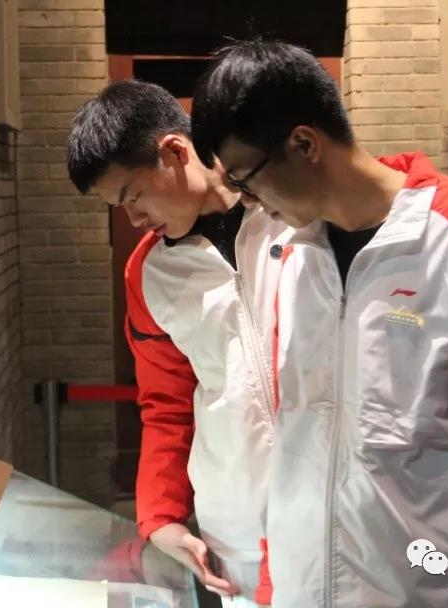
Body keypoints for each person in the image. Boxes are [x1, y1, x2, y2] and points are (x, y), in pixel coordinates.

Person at [190, 38, 448, 608]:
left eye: (246, 178)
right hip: (299, 590)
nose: (248, 201)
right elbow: (292, 435)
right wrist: (274, 579)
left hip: (423, 590)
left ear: (304, 144)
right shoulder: (290, 254)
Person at [67, 80, 291, 607]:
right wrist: (160, 515)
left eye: (133, 196)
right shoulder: (149, 273)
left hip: (339, 510)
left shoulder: (293, 220)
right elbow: (165, 403)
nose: (134, 220)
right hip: (235, 530)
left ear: (174, 152)